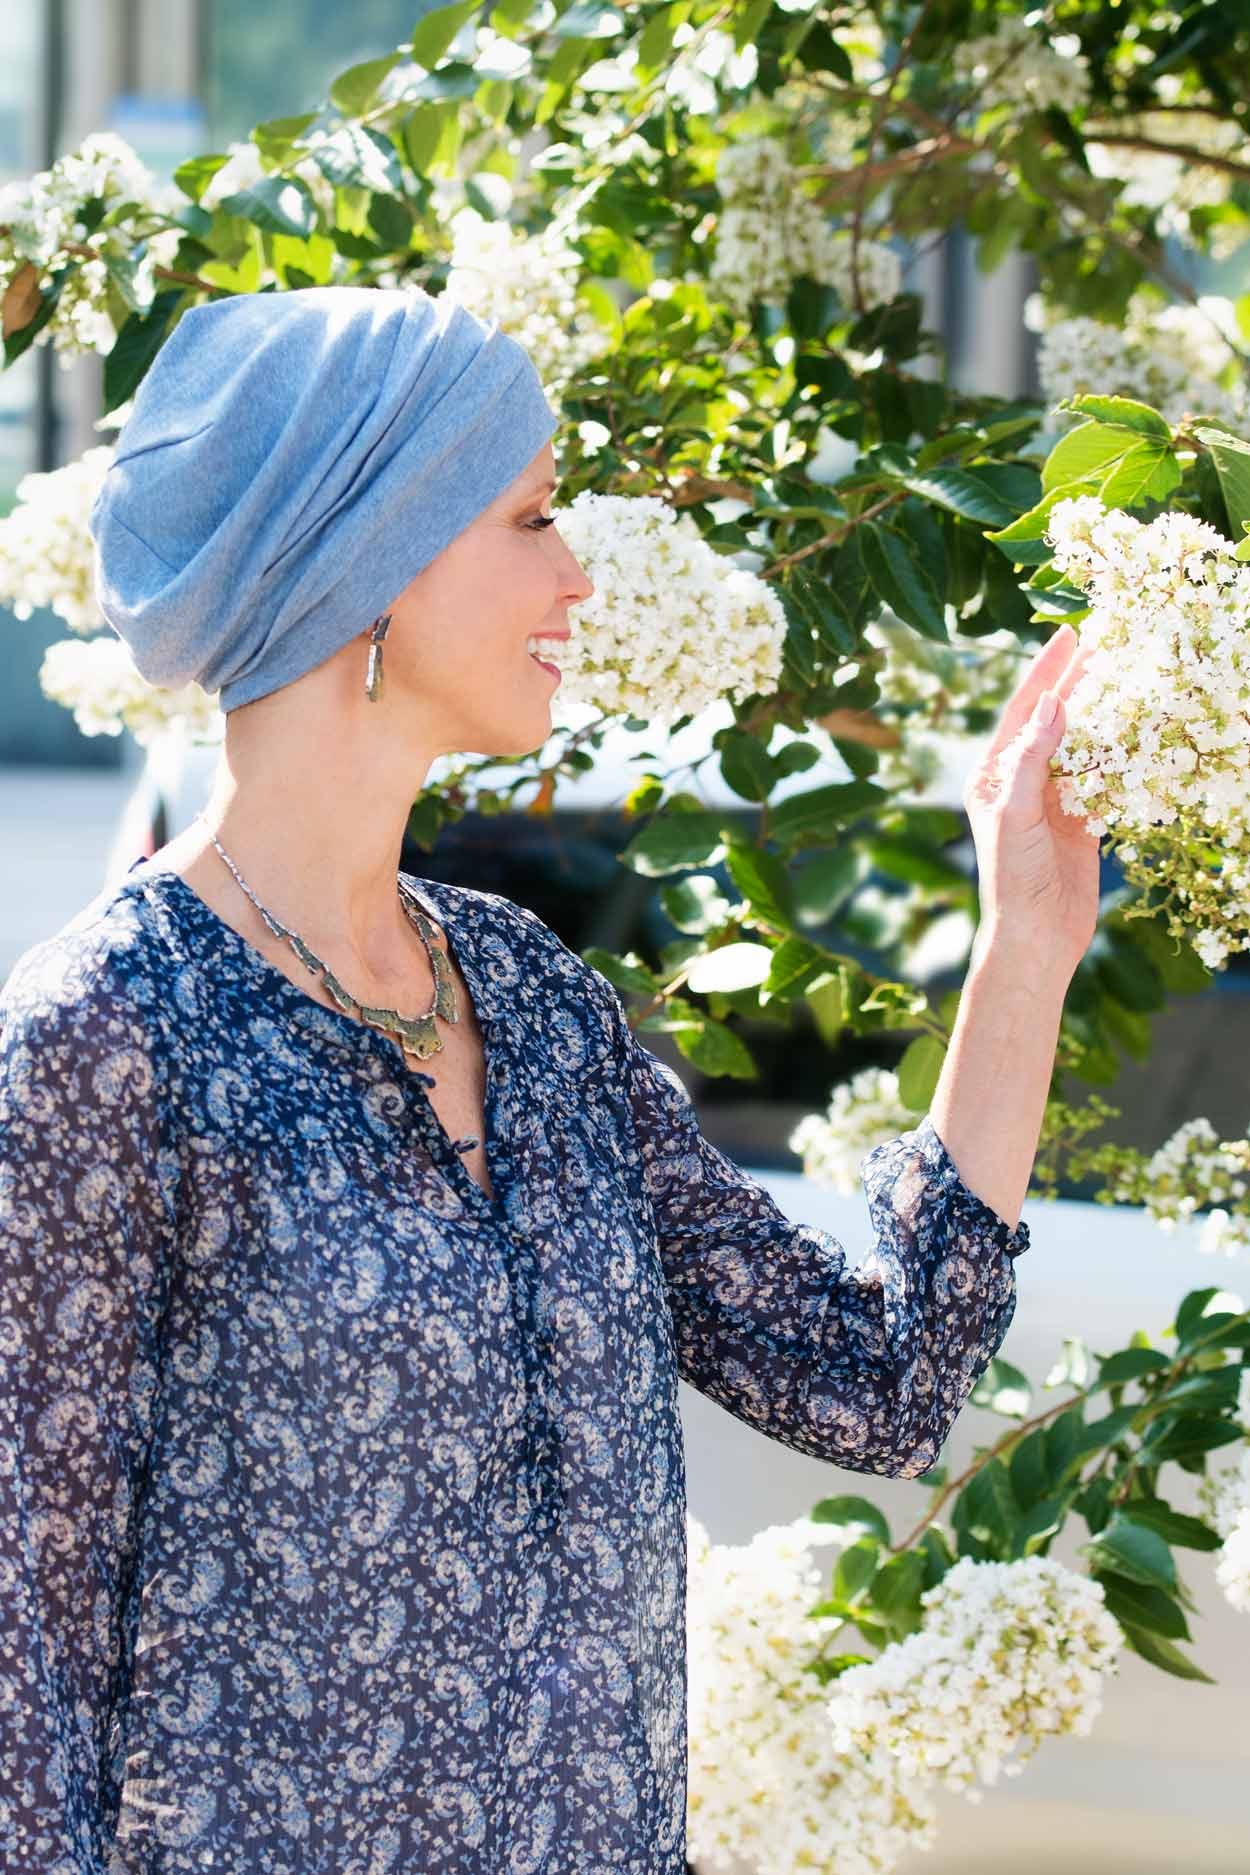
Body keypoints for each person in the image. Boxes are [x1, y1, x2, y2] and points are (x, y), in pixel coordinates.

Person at [0, 285, 1100, 1875]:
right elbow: (21, 1678)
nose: (575, 573)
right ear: (364, 562)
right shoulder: (108, 1036)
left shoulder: (526, 997)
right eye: (527, 518)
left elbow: (876, 1383)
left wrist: (1026, 949)